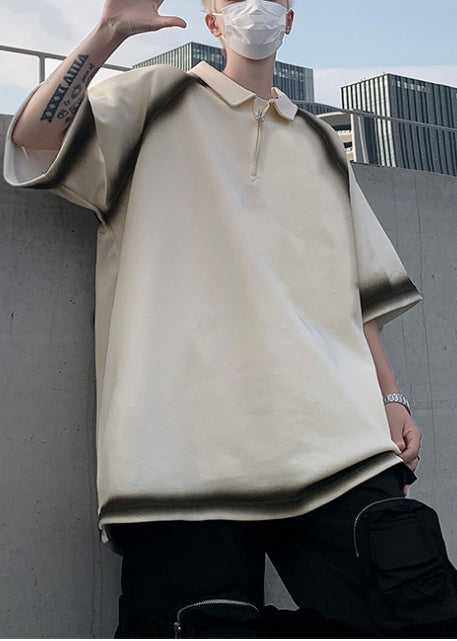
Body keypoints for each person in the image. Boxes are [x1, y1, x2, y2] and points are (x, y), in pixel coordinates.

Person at [4, 0, 457, 637]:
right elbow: (35, 137)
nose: (255, 5)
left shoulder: (320, 140)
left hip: (335, 441)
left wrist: (391, 395)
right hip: (179, 457)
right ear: (212, 22)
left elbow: (354, 288)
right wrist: (108, 33)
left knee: (420, 615)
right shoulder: (155, 98)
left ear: (290, 18)